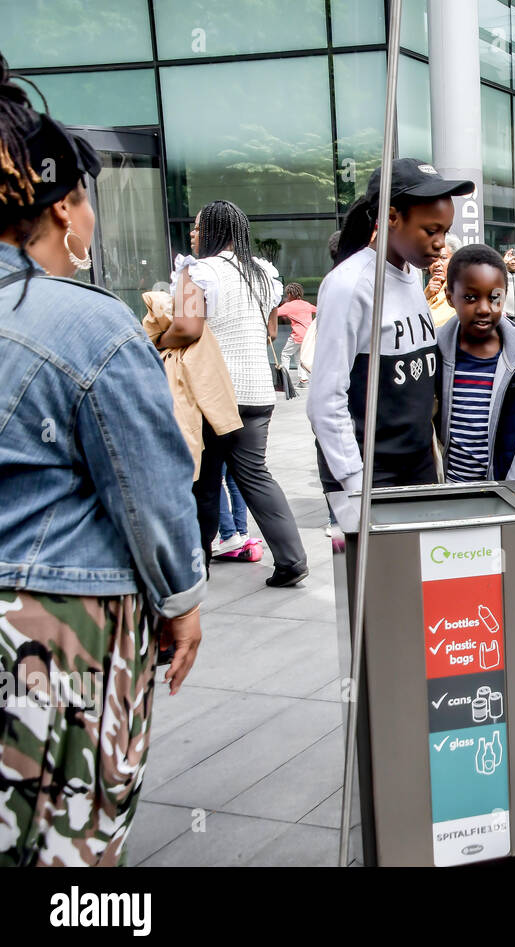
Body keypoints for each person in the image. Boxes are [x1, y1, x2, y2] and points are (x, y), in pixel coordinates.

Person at [0, 57, 203, 865]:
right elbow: (149, 487)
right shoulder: (91, 323)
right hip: (56, 627)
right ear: (63, 209)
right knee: (67, 838)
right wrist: (181, 599)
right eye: (85, 198)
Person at [164, 199, 309, 587]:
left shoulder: (196, 271)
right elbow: (270, 329)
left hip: (212, 393)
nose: (192, 234)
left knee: (204, 482)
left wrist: (158, 336)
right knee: (256, 476)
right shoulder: (263, 272)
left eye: (197, 227)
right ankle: (292, 560)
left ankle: (196, 568)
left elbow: (187, 328)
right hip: (258, 392)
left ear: (213, 231)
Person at [310, 160, 472, 507]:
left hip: (417, 464)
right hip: (370, 474)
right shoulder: (349, 286)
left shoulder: (412, 276)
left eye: (445, 231)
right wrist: (355, 483)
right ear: (392, 217)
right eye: (431, 231)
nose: (441, 244)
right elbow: (325, 401)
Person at [433, 245, 515, 481]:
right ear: (450, 298)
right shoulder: (436, 350)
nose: (484, 308)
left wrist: (514, 490)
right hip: (451, 490)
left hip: (509, 494)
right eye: (470, 297)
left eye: (495, 297)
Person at [277, 281, 317, 386]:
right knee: (299, 357)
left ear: (289, 294)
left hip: (297, 336)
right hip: (307, 336)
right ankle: (303, 380)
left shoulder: (288, 306)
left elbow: (275, 313)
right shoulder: (306, 304)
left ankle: (285, 380)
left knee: (285, 354)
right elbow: (319, 310)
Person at [424, 234, 460, 327]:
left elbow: (432, 324)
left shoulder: (457, 287)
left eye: (443, 258)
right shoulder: (430, 289)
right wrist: (425, 296)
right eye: (433, 258)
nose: (436, 264)